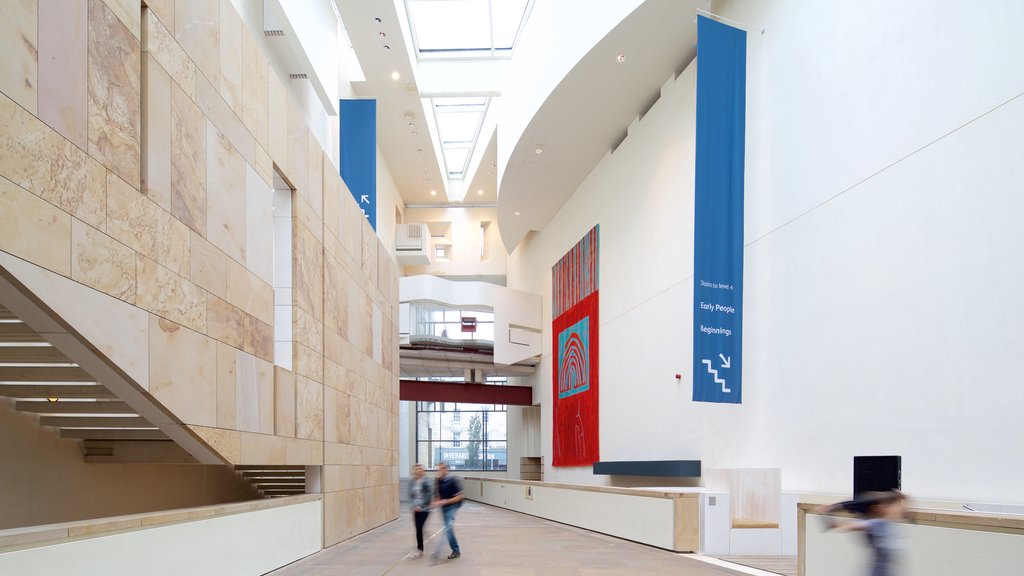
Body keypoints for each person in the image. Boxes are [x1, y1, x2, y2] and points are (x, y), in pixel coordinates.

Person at [816, 490, 908, 576]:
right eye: (898, 505)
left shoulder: (887, 524)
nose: (903, 508)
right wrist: (831, 514)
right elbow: (850, 526)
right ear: (886, 508)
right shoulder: (876, 523)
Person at [431, 462, 464, 560]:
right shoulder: (437, 481)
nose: (441, 470)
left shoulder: (452, 480)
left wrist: (446, 501)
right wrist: (436, 502)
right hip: (443, 508)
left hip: (452, 507)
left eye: (443, 468)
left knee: (448, 528)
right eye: (439, 469)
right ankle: (455, 549)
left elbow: (460, 497)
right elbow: (437, 496)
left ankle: (455, 550)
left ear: (447, 469)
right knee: (448, 528)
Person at [408, 464, 433, 558]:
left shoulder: (427, 481)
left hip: (425, 509)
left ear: (422, 471)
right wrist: (413, 506)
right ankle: (420, 546)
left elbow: (429, 495)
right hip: (415, 509)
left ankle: (420, 549)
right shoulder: (412, 481)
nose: (418, 470)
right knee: (418, 529)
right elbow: (410, 495)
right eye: (416, 469)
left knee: (419, 527)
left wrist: (420, 506)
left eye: (419, 469)